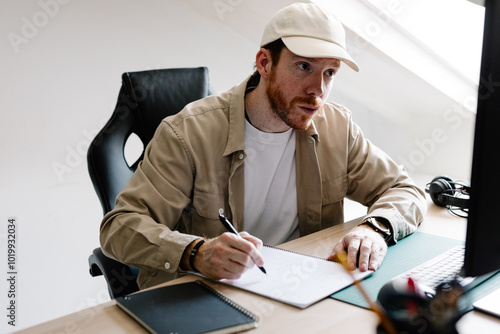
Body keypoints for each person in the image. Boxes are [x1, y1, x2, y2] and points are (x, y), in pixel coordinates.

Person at [100, 2, 426, 290]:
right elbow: (120, 228)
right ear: (265, 63)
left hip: (301, 290)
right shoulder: (187, 133)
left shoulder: (337, 127)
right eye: (304, 67)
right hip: (209, 295)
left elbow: (405, 190)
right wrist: (197, 253)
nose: (318, 90)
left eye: (329, 72)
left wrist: (375, 228)